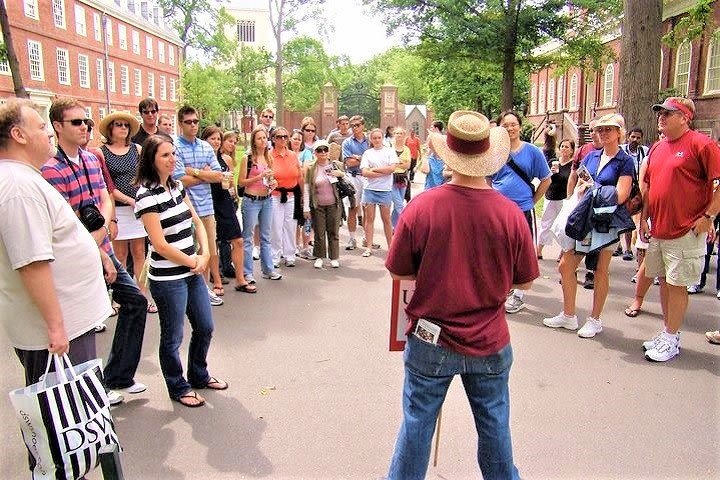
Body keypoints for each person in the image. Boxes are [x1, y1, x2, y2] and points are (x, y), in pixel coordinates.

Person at [385, 110, 538, 480]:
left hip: (431, 337)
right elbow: (526, 281)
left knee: (417, 423)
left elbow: (398, 270)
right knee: (495, 427)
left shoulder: (422, 207)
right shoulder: (510, 213)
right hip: (489, 337)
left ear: (446, 154)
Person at [0, 99, 116, 474]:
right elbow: (32, 261)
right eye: (38, 126)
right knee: (59, 425)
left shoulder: (24, 177)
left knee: (76, 422)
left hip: (66, 323)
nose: (46, 131)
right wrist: (56, 325)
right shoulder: (17, 185)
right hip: (56, 330)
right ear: (18, 135)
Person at [42, 97, 148, 403]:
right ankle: (82, 395)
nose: (84, 127)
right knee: (84, 326)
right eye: (76, 122)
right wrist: (98, 244)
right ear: (58, 126)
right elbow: (66, 219)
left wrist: (103, 229)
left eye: (86, 121)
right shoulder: (51, 170)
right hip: (77, 257)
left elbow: (104, 195)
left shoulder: (90, 159)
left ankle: (118, 377)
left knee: (136, 302)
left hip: (102, 248)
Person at [135, 135, 228, 407]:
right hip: (168, 278)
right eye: (165, 155)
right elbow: (160, 244)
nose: (172, 159)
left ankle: (199, 374)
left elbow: (196, 220)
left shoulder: (176, 187)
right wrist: (193, 261)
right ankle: (178, 386)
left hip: (192, 270)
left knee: (205, 327)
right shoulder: (145, 195)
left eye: (173, 154)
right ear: (151, 160)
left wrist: (206, 254)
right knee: (173, 337)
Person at [640, 97, 720, 362]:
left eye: (668, 113)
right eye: (660, 112)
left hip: (686, 229)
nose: (661, 117)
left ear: (685, 117)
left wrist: (708, 216)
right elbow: (650, 186)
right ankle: (667, 332)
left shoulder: (701, 144)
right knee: (664, 282)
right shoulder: (657, 148)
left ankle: (672, 338)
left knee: (677, 285)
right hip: (659, 229)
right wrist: (644, 219)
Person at [543, 113, 635, 338]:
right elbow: (579, 180)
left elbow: (621, 195)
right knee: (566, 265)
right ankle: (569, 315)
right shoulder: (592, 156)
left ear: (619, 133)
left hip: (605, 222)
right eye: (600, 130)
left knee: (600, 269)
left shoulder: (625, 161)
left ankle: (595, 319)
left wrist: (595, 191)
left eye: (608, 130)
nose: (603, 133)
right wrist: (581, 190)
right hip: (585, 218)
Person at [492, 110, 551, 314]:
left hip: (523, 210)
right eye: (505, 125)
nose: (510, 128)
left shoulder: (532, 151)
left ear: (520, 126)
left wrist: (533, 201)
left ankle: (519, 294)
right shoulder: (496, 152)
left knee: (522, 251)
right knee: (499, 250)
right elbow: (489, 179)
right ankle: (502, 289)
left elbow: (546, 179)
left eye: (513, 124)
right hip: (498, 211)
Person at [99, 112, 156, 313]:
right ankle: (119, 297)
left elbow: (145, 175)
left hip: (138, 207)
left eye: (125, 125)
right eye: (118, 125)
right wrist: (128, 200)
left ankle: (142, 296)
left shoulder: (137, 149)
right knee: (120, 254)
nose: (123, 128)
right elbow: (107, 185)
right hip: (119, 209)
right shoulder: (102, 152)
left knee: (140, 253)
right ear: (110, 129)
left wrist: (142, 197)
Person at [172, 105, 224, 307]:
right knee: (187, 252)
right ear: (180, 123)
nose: (193, 125)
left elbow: (219, 175)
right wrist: (204, 174)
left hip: (207, 207)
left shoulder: (206, 146)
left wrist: (193, 171)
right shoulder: (174, 146)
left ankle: (204, 291)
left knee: (208, 250)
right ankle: (188, 293)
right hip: (184, 208)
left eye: (196, 121)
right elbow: (178, 179)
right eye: (188, 122)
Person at [202, 126, 257, 294]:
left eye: (218, 138)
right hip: (208, 201)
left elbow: (230, 181)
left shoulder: (225, 159)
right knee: (211, 244)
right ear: (205, 140)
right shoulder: (202, 159)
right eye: (212, 138)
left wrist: (233, 193)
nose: (216, 142)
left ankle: (240, 280)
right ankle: (216, 280)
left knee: (238, 240)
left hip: (225, 200)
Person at [239, 126, 280, 283]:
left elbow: (270, 179)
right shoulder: (247, 158)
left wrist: (273, 182)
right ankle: (247, 272)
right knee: (248, 237)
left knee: (266, 236)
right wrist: (259, 177)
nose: (263, 141)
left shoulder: (269, 158)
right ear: (254, 142)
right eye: (260, 138)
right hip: (251, 200)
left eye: (265, 138)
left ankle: (268, 269)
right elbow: (241, 182)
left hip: (267, 199)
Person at [302, 140, 345, 269]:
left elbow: (345, 178)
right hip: (318, 205)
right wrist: (306, 208)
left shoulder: (335, 165)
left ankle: (334, 257)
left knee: (333, 231)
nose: (323, 153)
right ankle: (320, 256)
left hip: (333, 204)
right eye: (319, 150)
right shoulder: (310, 167)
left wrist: (340, 173)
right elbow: (306, 188)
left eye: (325, 149)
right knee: (319, 232)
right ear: (315, 152)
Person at [360, 128, 399, 257]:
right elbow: (365, 172)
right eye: (374, 138)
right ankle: (369, 247)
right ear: (371, 139)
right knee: (369, 219)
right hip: (370, 189)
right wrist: (382, 173)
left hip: (385, 190)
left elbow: (392, 168)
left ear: (382, 138)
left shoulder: (389, 151)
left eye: (379, 137)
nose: (377, 140)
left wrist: (374, 170)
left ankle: (391, 247)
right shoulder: (367, 153)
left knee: (386, 219)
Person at [270, 127, 302, 269]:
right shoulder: (269, 155)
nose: (282, 139)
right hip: (275, 195)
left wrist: (302, 195)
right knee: (276, 226)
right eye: (279, 137)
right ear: (273, 139)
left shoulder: (293, 155)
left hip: (291, 195)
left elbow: (299, 175)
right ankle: (275, 256)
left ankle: (290, 255)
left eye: (285, 136)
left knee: (290, 226)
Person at [536, 138, 574, 259]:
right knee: (546, 224)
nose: (563, 149)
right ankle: (538, 250)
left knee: (563, 226)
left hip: (565, 198)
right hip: (551, 196)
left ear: (572, 150)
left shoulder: (573, 165)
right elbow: (544, 177)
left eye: (567, 147)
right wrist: (550, 172)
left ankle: (563, 252)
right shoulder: (553, 162)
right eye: (562, 146)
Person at [341, 115, 370, 250]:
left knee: (367, 209)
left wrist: (358, 158)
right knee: (352, 208)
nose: (354, 128)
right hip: (353, 177)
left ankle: (367, 238)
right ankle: (352, 239)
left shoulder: (370, 141)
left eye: (357, 125)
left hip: (368, 177)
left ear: (363, 125)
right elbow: (349, 162)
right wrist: (365, 158)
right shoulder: (347, 142)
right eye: (352, 126)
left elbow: (373, 160)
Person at [390, 126, 411, 229]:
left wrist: (397, 162)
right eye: (397, 133)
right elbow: (389, 164)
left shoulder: (406, 149)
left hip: (402, 178)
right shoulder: (389, 148)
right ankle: (405, 226)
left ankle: (393, 226)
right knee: (399, 205)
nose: (399, 135)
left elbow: (408, 166)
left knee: (399, 203)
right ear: (394, 135)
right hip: (391, 178)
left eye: (401, 133)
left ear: (404, 136)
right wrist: (401, 162)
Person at [420, 121, 450, 190]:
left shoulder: (448, 159)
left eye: (431, 127)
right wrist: (425, 156)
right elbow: (425, 170)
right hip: (430, 189)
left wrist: (447, 173)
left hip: (443, 191)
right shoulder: (430, 158)